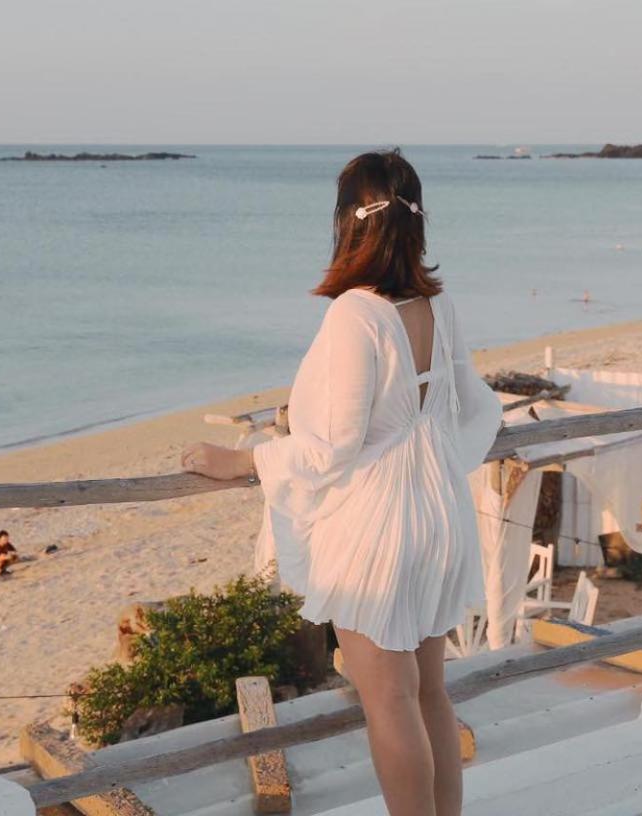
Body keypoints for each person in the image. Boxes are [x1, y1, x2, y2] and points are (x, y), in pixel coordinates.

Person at [182, 149, 502, 816]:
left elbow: (332, 445)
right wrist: (431, 461)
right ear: (415, 221)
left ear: (349, 223)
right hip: (440, 515)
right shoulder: (438, 308)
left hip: (379, 529)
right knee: (430, 694)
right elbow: (477, 410)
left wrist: (243, 461)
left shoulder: (356, 313)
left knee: (389, 700)